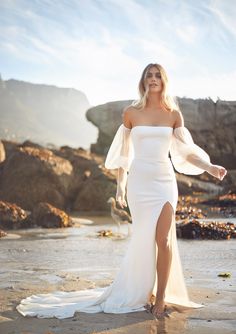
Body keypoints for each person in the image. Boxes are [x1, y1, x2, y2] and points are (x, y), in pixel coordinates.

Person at [16, 63, 227, 320]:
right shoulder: (131, 113)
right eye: (148, 75)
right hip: (139, 183)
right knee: (143, 241)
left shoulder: (173, 115)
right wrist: (120, 186)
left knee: (165, 240)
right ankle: (141, 291)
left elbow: (186, 153)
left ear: (164, 80)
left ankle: (160, 297)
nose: (153, 79)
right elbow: (124, 156)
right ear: (142, 81)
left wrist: (210, 167)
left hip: (164, 181)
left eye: (157, 75)